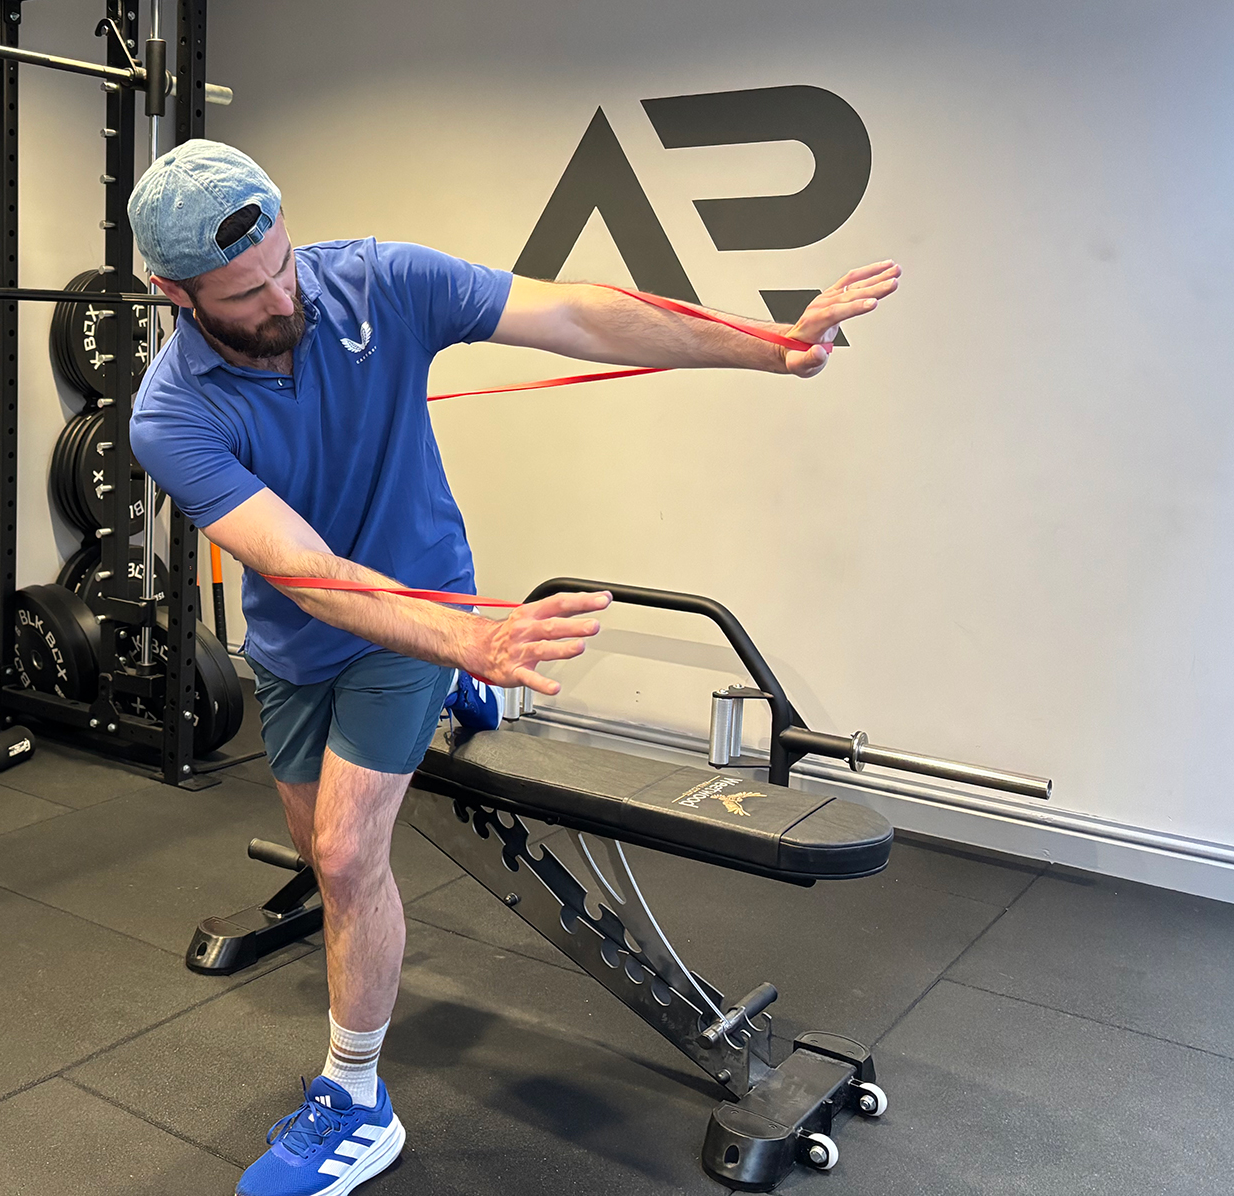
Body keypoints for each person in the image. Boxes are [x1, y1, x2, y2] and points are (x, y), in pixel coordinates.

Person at [125, 139, 898, 1196]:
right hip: (308, 632)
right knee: (313, 850)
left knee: (348, 859)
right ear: (171, 292)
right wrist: (467, 648)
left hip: (424, 597)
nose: (278, 293)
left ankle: (354, 1098)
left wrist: (765, 343)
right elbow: (301, 570)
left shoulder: (378, 280)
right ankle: (454, 678)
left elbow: (579, 313)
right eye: (243, 291)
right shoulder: (169, 413)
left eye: (281, 264)